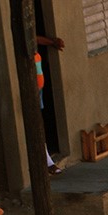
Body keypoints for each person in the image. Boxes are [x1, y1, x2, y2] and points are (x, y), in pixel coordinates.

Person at [35, 34, 65, 174]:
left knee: (41, 124)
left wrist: (52, 42)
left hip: (39, 92)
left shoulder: (34, 49)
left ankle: (48, 161)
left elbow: (35, 38)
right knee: (37, 126)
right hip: (32, 95)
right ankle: (47, 162)